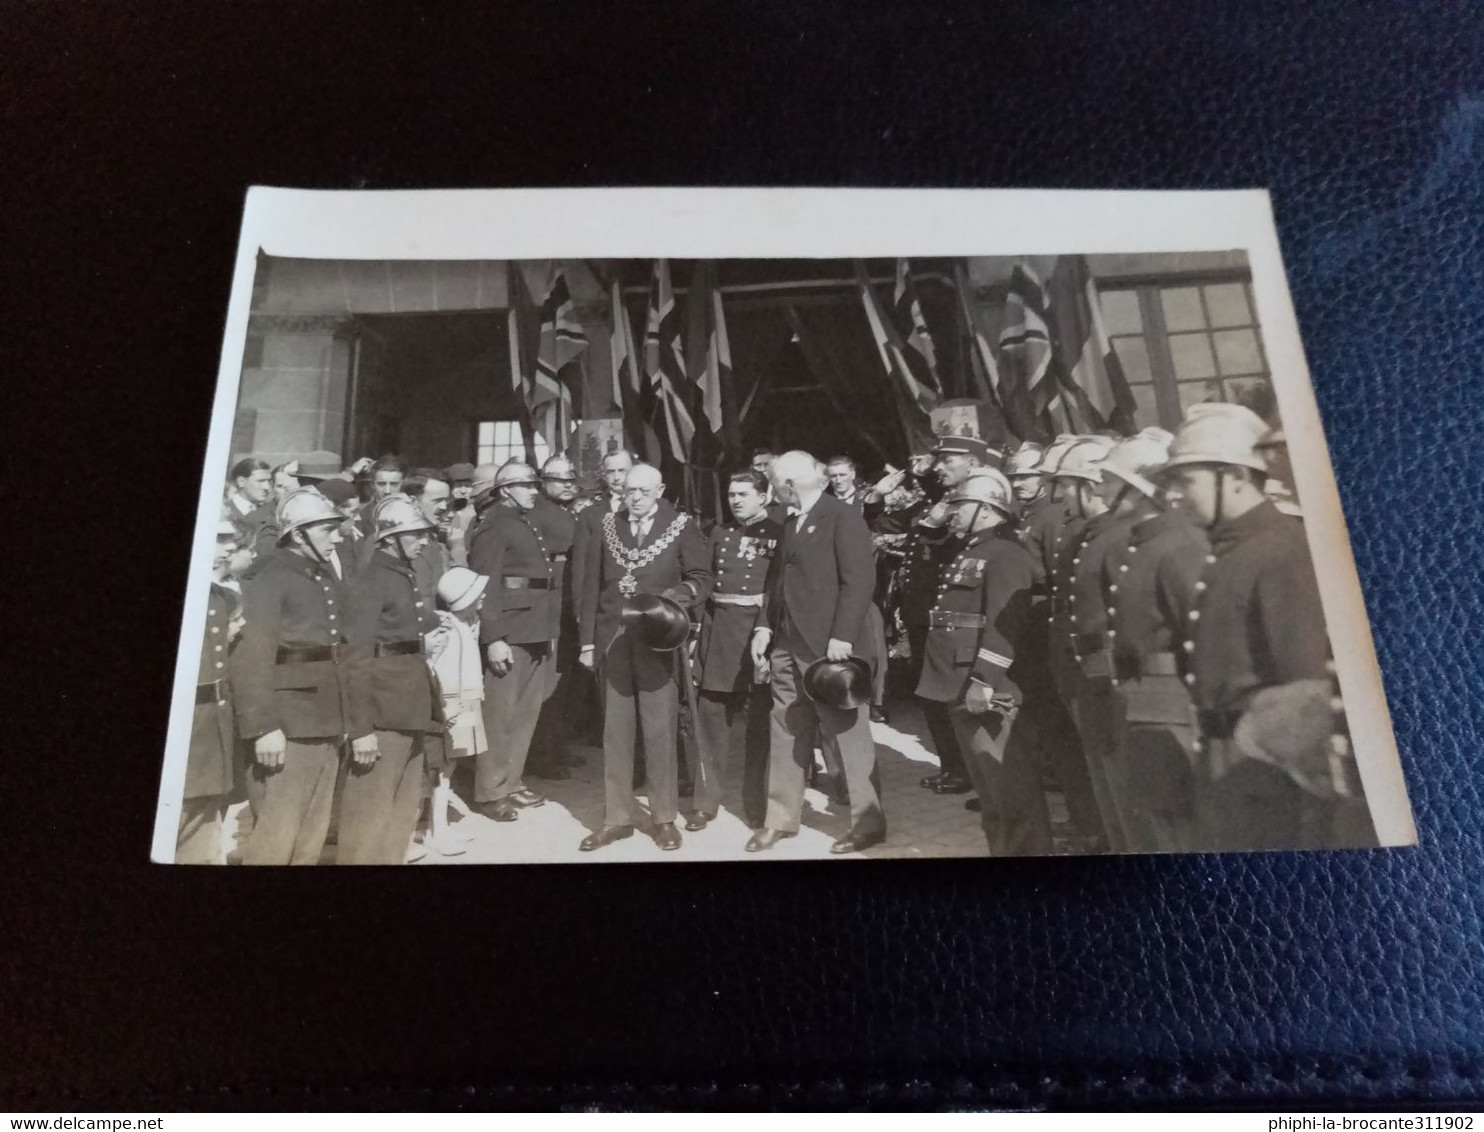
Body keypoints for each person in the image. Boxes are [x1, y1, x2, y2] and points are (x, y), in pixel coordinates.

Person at [1157, 404, 1366, 849]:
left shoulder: (1281, 551)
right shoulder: (1232, 550)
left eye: (1187, 479)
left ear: (1233, 475)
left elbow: (1305, 688)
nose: (1176, 494)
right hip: (1228, 762)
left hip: (1269, 776)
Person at [747, 451, 885, 854]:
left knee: (846, 732)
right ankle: (781, 819)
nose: (772, 492)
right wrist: (764, 625)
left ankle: (868, 822)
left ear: (789, 485)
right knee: (787, 726)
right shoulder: (793, 521)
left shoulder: (842, 516)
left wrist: (842, 636)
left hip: (828, 646)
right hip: (787, 644)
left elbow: (859, 580)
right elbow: (776, 581)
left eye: (774, 484)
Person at [576, 462, 711, 851]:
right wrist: (588, 642)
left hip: (657, 639)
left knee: (659, 730)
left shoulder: (681, 525)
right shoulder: (607, 525)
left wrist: (675, 598)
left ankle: (663, 818)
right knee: (615, 734)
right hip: (613, 641)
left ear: (661, 489)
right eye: (628, 491)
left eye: (643, 492)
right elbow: (590, 586)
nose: (633, 498)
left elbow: (702, 577)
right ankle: (616, 818)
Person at [916, 472, 1046, 855]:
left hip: (985, 686)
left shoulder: (1005, 554)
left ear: (988, 510)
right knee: (991, 792)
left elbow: (1006, 625)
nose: (951, 514)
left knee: (1010, 789)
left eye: (960, 506)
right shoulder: (972, 550)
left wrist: (985, 680)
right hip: (961, 680)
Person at [1093, 428, 1205, 853]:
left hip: (1174, 708)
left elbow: (1198, 637)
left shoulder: (1177, 545)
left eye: (1109, 479)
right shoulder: (1145, 543)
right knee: (1160, 826)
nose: (1100, 489)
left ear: (1137, 490)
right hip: (1144, 703)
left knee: (1185, 833)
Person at [230, 488, 350, 865]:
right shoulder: (269, 575)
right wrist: (263, 726)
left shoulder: (319, 574)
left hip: (324, 718)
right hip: (286, 725)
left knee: (311, 835)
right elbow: (252, 656)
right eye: (326, 530)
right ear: (298, 534)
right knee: (275, 838)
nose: (337, 537)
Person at [339, 497, 445, 865]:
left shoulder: (400, 572)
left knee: (400, 811)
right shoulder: (372, 579)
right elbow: (356, 657)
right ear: (389, 538)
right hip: (382, 713)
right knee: (369, 814)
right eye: (413, 534)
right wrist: (361, 728)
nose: (422, 541)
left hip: (407, 705)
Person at [1048, 435, 1129, 851]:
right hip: (1081, 672)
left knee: (1119, 780)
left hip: (1105, 680)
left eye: (1066, 485)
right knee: (1099, 770)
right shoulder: (1092, 533)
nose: (1060, 496)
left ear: (1090, 484)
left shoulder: (1115, 537)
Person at [465, 461, 558, 822]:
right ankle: (490, 792)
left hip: (534, 627)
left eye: (535, 485)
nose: (535, 490)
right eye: (527, 485)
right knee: (500, 715)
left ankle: (511, 781)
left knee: (524, 714)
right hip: (511, 632)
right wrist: (494, 638)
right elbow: (485, 586)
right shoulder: (494, 526)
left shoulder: (523, 520)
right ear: (505, 490)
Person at [691, 469, 780, 831]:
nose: (736, 500)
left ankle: (756, 802)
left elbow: (778, 587)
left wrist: (766, 626)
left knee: (759, 725)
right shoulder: (719, 532)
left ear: (764, 495)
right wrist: (696, 627)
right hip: (720, 631)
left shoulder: (780, 533)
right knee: (711, 720)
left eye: (744, 494)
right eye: (731, 494)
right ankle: (704, 803)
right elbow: (705, 579)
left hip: (759, 632)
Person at [178, 520, 244, 864]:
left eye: (231, 539)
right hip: (186, 726)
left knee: (203, 821)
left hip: (212, 726)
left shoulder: (222, 597)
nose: (229, 546)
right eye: (220, 539)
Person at [424, 567, 491, 856]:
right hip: (451, 703)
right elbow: (434, 665)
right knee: (440, 769)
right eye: (477, 594)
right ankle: (434, 829)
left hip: (466, 699)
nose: (483, 597)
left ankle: (440, 827)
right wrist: (444, 706)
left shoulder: (469, 623)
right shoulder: (446, 627)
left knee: (449, 768)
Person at [527, 455, 585, 780]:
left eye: (570, 479)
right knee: (550, 683)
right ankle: (542, 754)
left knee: (565, 684)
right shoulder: (542, 514)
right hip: (552, 607)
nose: (567, 485)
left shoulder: (564, 513)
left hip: (567, 607)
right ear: (543, 482)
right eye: (559, 480)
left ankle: (556, 745)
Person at [444, 462, 477, 567]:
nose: (463, 491)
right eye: (458, 486)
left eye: (468, 486)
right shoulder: (443, 510)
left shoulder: (477, 512)